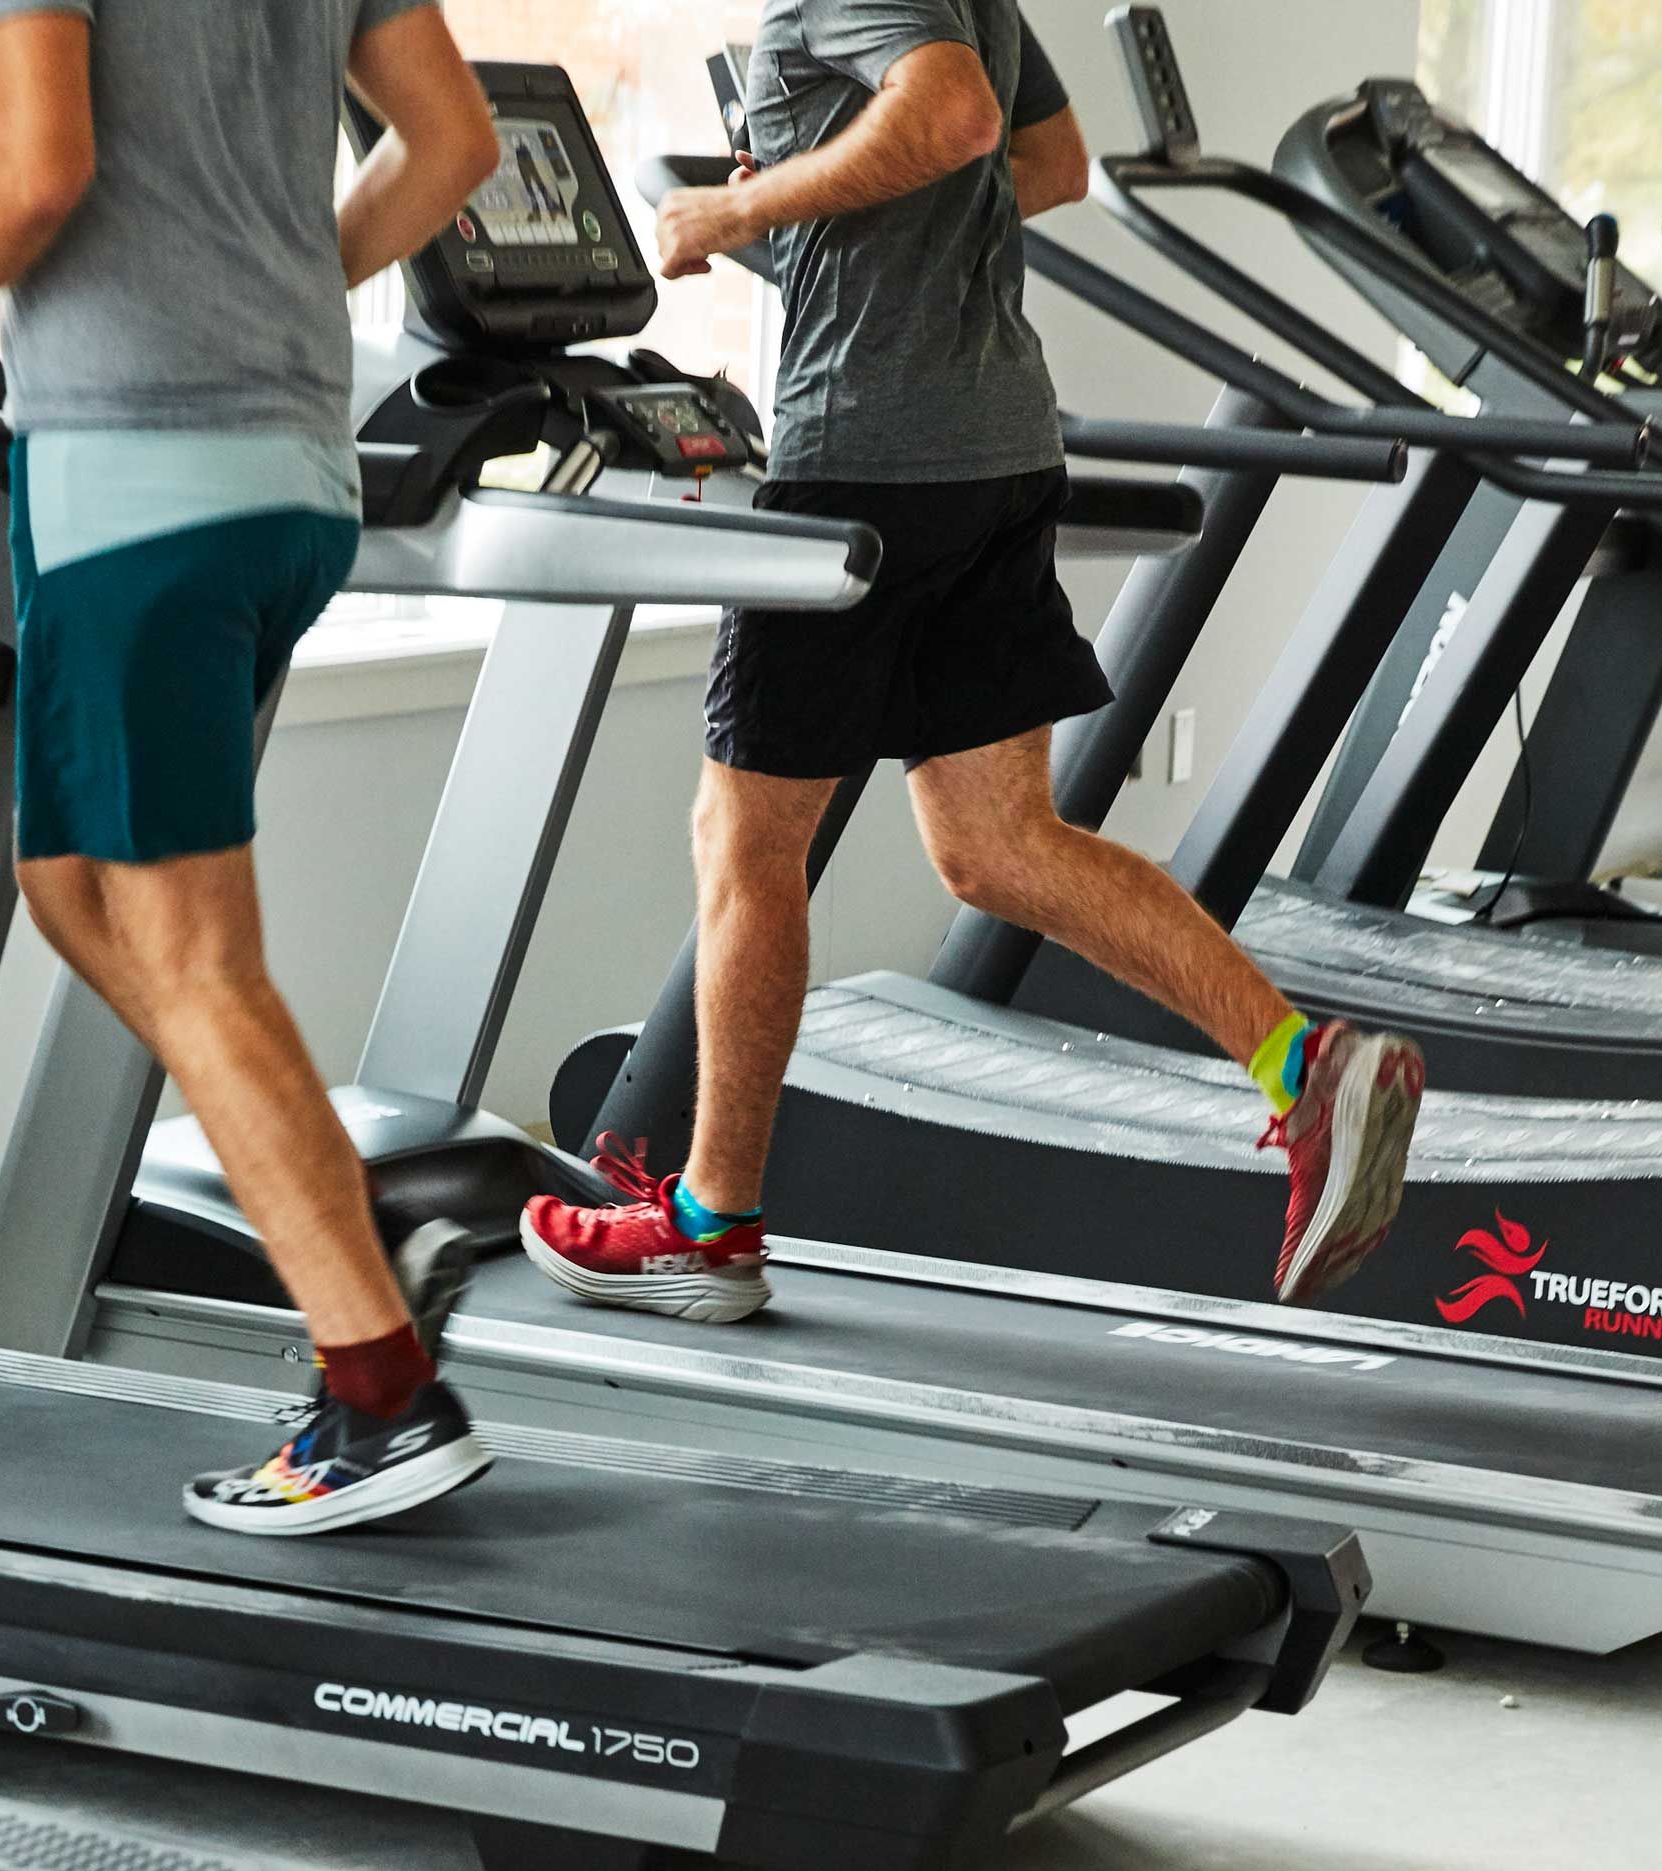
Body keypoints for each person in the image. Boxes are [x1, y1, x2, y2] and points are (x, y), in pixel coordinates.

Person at [518, 0, 1426, 1328]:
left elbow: (953, 118)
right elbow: (1045, 164)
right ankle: (1306, 1065)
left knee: (746, 843)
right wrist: (867, 235)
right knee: (997, 844)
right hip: (998, 442)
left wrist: (748, 212)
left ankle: (709, 1228)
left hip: (870, 462)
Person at [0, 0, 503, 1538]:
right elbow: (455, 142)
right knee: (72, 892)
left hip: (141, 474)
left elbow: (40, 166)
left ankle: (382, 1390)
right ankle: (338, 1213)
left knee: (191, 955)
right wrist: (267, 280)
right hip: (290, 471)